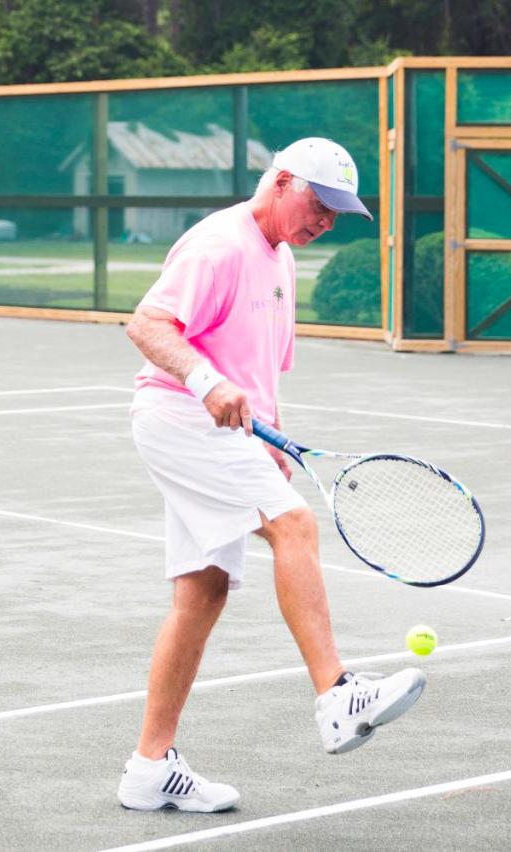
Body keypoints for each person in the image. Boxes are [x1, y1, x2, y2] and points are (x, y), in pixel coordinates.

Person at [116, 138, 425, 813]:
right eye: (321, 204)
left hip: (228, 432)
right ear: (282, 182)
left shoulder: (279, 258)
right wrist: (205, 382)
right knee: (295, 523)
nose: (327, 221)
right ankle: (337, 694)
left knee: (202, 592)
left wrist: (271, 440)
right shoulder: (219, 246)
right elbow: (146, 323)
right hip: (180, 417)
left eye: (340, 212)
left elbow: (257, 372)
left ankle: (149, 766)